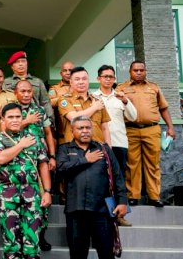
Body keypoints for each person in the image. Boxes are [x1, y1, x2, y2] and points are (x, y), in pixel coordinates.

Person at [57, 116, 127, 259]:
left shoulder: (104, 150)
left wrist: (122, 202)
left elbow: (118, 177)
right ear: (73, 131)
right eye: (80, 128)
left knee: (106, 252)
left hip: (101, 210)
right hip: (75, 209)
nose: (85, 131)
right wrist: (84, 159)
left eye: (88, 127)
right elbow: (61, 170)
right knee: (77, 252)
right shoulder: (65, 150)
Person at [0, 103, 53, 259]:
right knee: (11, 239)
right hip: (7, 193)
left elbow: (43, 165)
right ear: (4, 120)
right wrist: (20, 146)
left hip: (32, 192)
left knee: (32, 238)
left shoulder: (34, 139)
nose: (15, 120)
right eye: (11, 117)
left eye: (18, 116)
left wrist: (48, 191)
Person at [116, 61, 174, 207]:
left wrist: (170, 127)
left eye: (142, 70)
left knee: (153, 164)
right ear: (130, 71)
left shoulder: (153, 87)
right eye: (135, 70)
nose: (139, 72)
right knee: (132, 164)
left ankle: (154, 196)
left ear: (145, 71)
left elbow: (164, 108)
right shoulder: (122, 88)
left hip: (152, 129)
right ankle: (133, 196)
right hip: (130, 129)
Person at [13, 80, 57, 250]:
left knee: (43, 197)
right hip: (18, 160)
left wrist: (52, 156)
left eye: (29, 91)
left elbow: (48, 133)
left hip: (40, 160)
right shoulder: (12, 111)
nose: (26, 94)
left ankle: (41, 235)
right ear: (16, 93)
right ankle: (20, 238)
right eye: (22, 91)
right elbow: (5, 130)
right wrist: (26, 120)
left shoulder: (39, 110)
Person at [93, 65, 136, 227]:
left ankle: (120, 215)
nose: (108, 79)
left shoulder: (120, 98)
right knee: (101, 179)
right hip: (100, 144)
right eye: (105, 76)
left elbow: (133, 116)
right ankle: (104, 213)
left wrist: (126, 101)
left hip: (119, 144)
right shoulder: (93, 97)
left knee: (119, 180)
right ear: (98, 79)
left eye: (111, 76)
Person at [58, 67, 111, 145]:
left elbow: (105, 128)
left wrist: (109, 148)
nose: (81, 82)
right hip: (75, 150)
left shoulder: (97, 100)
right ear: (71, 82)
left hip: (99, 147)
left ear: (88, 81)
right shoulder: (64, 100)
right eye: (77, 79)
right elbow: (74, 118)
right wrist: (94, 108)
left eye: (84, 79)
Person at [2, 51, 53, 121]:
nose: (20, 64)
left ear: (27, 63)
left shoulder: (38, 82)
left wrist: (50, 118)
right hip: (15, 119)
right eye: (17, 62)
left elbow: (45, 102)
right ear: (12, 66)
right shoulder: (5, 82)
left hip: (36, 116)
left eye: (23, 61)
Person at [49, 61, 75, 140]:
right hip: (63, 132)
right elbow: (49, 102)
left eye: (70, 70)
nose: (68, 73)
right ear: (61, 73)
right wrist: (64, 97)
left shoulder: (80, 86)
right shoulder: (54, 88)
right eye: (65, 70)